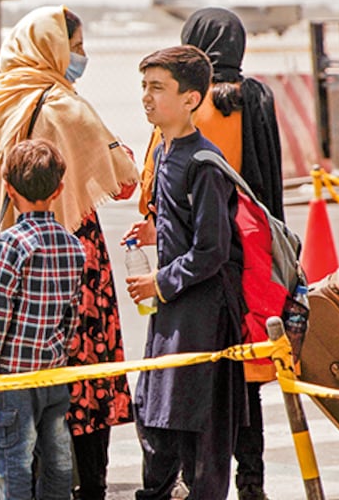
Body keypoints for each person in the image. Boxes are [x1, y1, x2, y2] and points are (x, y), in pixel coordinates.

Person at [0, 7, 138, 500]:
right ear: (54, 48)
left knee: (19, 393)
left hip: (6, 250)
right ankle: (89, 484)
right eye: (75, 46)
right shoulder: (65, 104)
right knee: (83, 371)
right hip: (72, 247)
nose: (81, 57)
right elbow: (123, 180)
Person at [138, 7, 281, 500]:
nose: (148, 98)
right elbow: (268, 181)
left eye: (157, 87)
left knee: (196, 403)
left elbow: (206, 240)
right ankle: (252, 481)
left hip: (205, 272)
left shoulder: (191, 151)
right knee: (236, 390)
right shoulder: (252, 97)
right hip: (234, 261)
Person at [125, 45, 244, 500]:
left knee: (200, 428)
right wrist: (157, 231)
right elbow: (189, 228)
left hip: (203, 316)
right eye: (144, 87)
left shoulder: (203, 162)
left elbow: (212, 251)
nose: (146, 98)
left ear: (192, 99)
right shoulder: (165, 153)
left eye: (158, 88)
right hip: (171, 311)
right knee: (153, 412)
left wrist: (159, 280)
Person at [0, 139, 85, 499]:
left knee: (15, 462)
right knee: (57, 459)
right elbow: (72, 313)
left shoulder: (11, 243)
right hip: (54, 371)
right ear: (59, 189)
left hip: (14, 376)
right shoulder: (73, 245)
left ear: (8, 189)